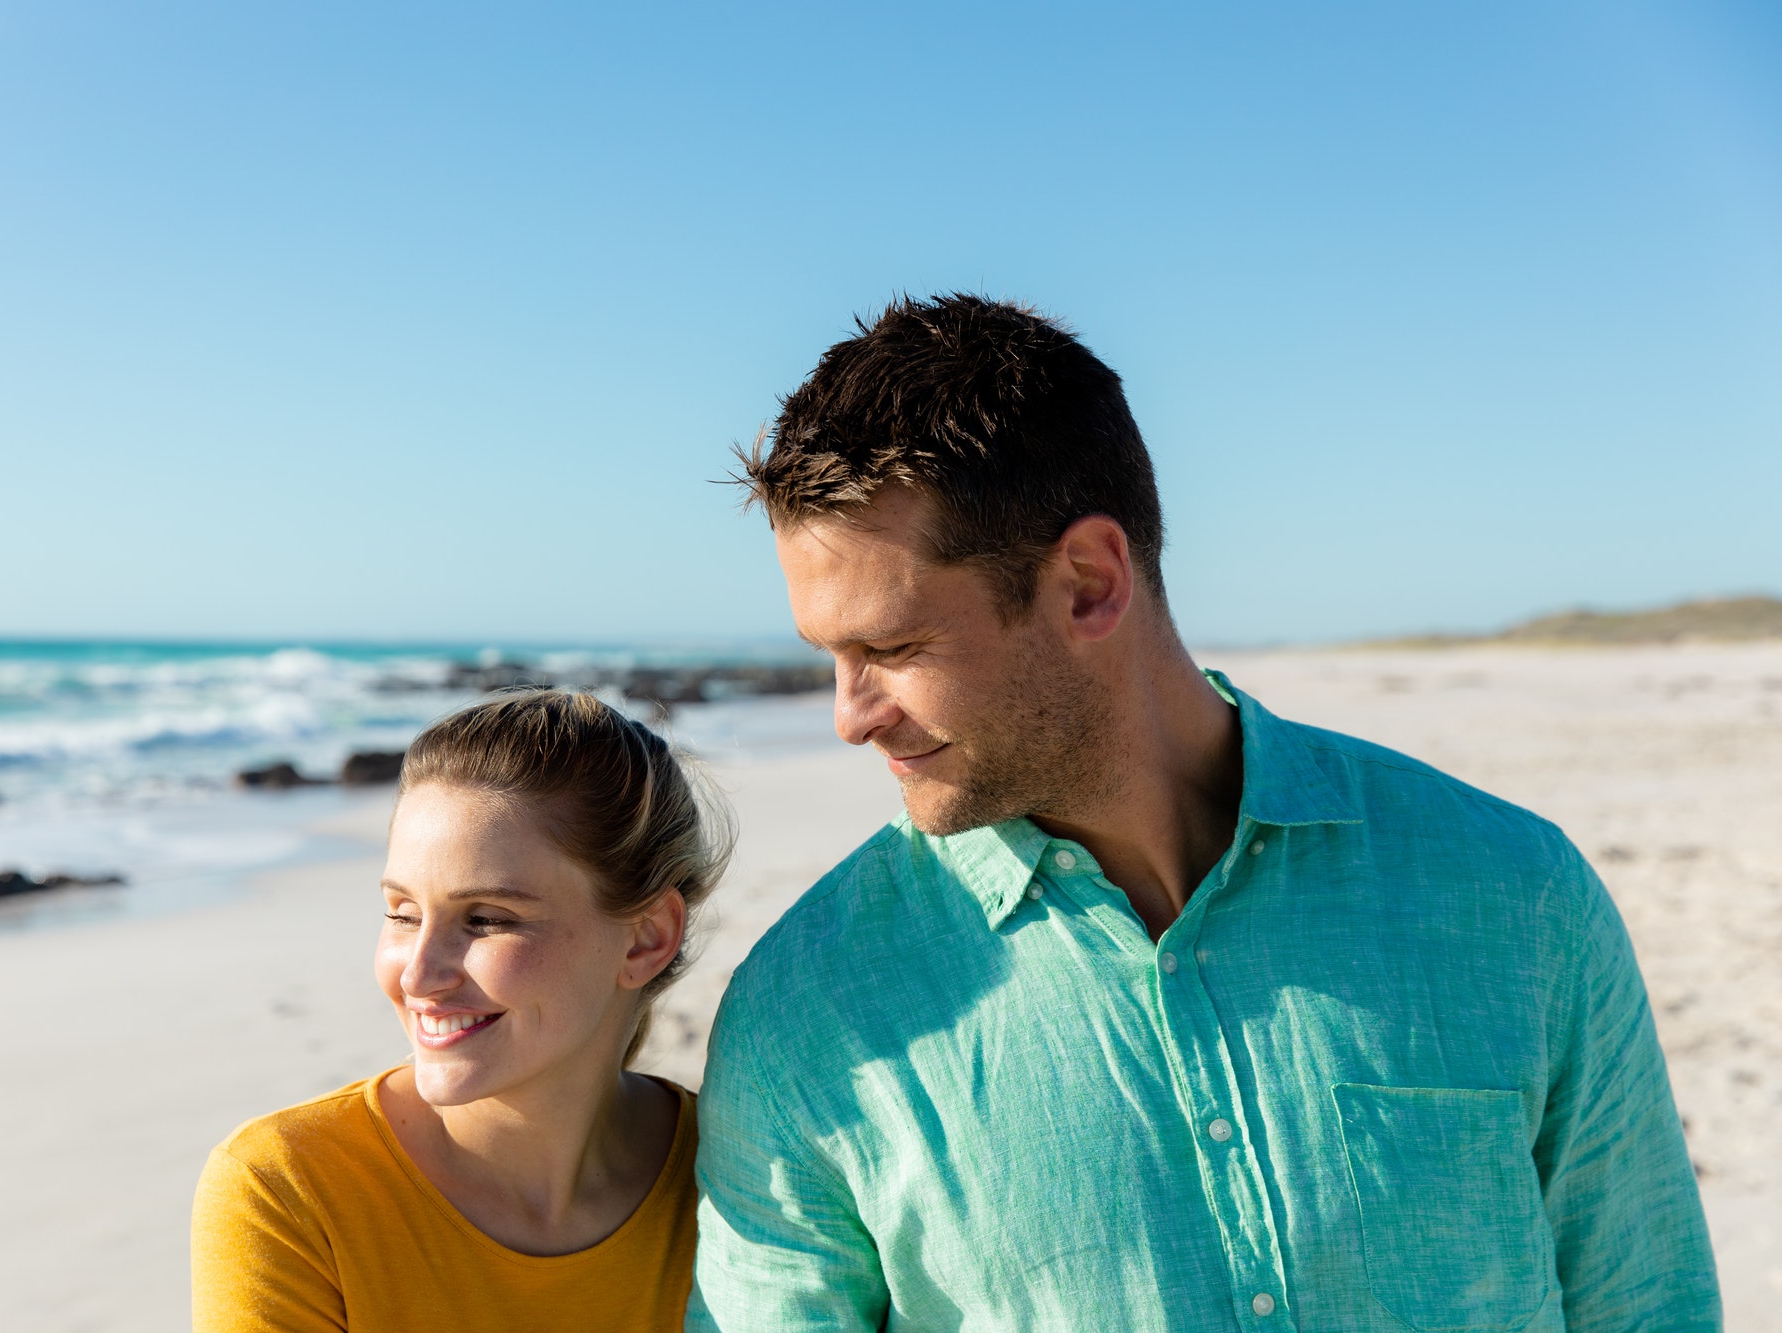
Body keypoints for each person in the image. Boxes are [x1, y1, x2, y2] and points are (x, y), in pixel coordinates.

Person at [689, 295, 1720, 1331]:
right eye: (826, 656)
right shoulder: (806, 1017)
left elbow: (1647, 1305)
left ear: (1089, 583)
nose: (846, 717)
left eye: (892, 649)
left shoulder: (1513, 896)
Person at [192, 690, 731, 1332]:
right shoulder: (290, 1190)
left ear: (645, 937)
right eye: (402, 914)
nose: (417, 974)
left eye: (485, 919)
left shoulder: (745, 1181)